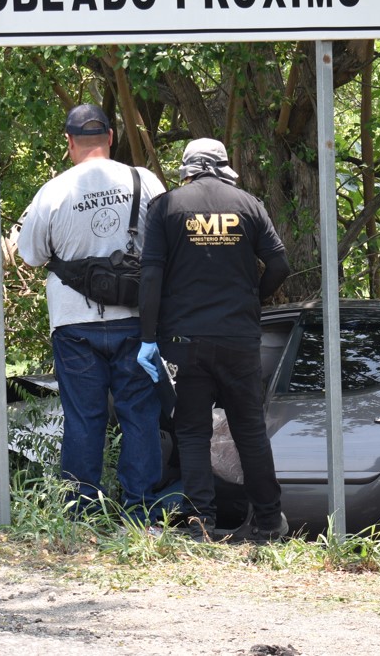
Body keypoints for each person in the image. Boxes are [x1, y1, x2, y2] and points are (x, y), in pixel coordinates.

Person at [136, 137, 291, 542]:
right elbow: (279, 264)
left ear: (187, 169)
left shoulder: (166, 207)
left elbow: (150, 275)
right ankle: (270, 522)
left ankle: (200, 522)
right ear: (222, 167)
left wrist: (148, 336)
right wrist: (253, 300)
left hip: (184, 341)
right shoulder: (248, 205)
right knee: (249, 430)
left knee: (192, 432)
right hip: (239, 338)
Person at [17, 104, 167, 521]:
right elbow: (165, 243)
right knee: (140, 413)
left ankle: (83, 512)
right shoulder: (145, 180)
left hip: (74, 321)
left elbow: (30, 254)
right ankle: (142, 511)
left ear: (69, 142)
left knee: (84, 417)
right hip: (137, 319)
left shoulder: (54, 191)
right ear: (112, 138)